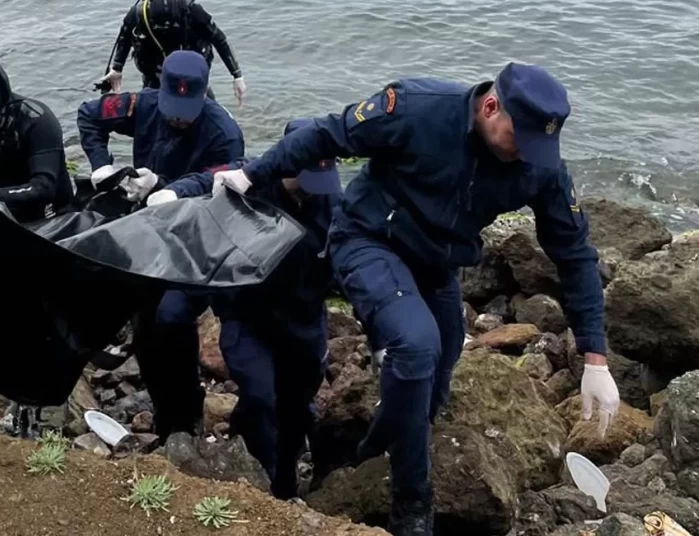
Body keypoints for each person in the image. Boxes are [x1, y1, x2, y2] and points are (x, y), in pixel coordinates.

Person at [211, 64, 619, 536]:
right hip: (368, 240)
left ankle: (366, 453)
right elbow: (329, 134)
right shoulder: (413, 109)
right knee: (415, 346)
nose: (527, 154)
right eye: (520, 139)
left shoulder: (540, 166)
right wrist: (251, 173)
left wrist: (595, 356)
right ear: (490, 107)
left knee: (435, 380)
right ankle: (412, 506)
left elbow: (573, 254)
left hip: (436, 263)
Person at [148, 120, 339, 500]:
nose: (312, 193)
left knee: (298, 408)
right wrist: (170, 192)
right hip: (249, 317)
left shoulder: (333, 202)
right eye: (305, 181)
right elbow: (207, 180)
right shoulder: (251, 180)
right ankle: (265, 483)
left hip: (302, 320)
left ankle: (285, 473)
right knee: (261, 396)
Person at [78, 50, 245, 441]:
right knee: (145, 322)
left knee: (172, 321)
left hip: (197, 238)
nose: (177, 118)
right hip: (149, 231)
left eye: (186, 111)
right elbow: (90, 114)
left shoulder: (223, 133)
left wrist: (170, 187)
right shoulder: (145, 105)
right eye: (173, 108)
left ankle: (186, 417)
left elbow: (224, 179)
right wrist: (102, 165)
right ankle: (163, 413)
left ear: (204, 95)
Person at [0, 50, 74, 223]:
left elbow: (44, 187)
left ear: (7, 107)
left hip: (51, 213)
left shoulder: (37, 122)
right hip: (2, 211)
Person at [102, 0, 247, 106]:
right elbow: (124, 37)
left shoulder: (194, 13)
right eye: (160, 27)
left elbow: (219, 40)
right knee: (152, 107)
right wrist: (117, 68)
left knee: (202, 104)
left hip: (191, 63)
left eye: (170, 26)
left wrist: (237, 76)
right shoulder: (137, 15)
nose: (165, 30)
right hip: (154, 69)